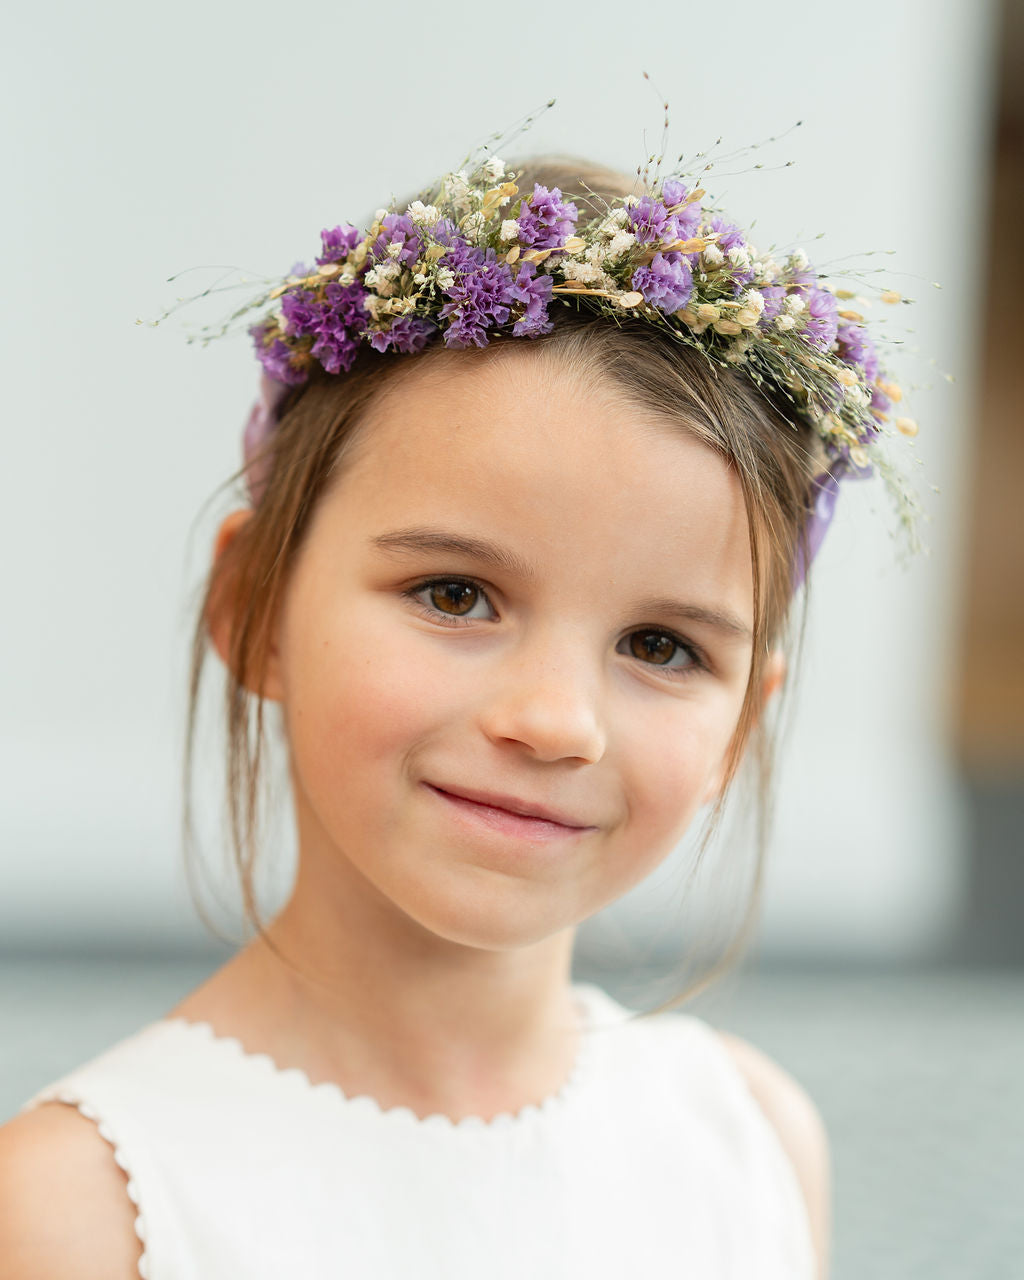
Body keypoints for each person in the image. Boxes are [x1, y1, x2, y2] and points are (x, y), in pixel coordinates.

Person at [0, 141, 923, 1280]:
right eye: (454, 594)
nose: (555, 720)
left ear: (742, 722)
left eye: (660, 646)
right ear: (257, 606)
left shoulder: (751, 1141)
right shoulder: (85, 1209)